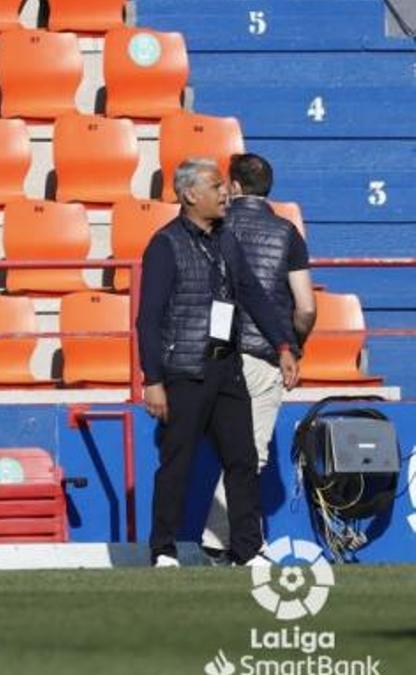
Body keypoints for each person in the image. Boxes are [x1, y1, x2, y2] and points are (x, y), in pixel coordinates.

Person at [136, 157, 300, 569]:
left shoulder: (227, 239)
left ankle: (247, 548)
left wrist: (283, 344)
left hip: (227, 366)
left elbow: (253, 295)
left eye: (224, 185)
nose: (225, 192)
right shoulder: (165, 243)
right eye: (215, 186)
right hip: (186, 370)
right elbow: (149, 316)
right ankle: (163, 549)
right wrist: (152, 378)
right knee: (178, 461)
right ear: (191, 195)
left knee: (243, 459)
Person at [201, 154, 317, 562]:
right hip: (263, 355)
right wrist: (291, 345)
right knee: (250, 454)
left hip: (214, 354)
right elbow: (305, 307)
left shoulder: (213, 228)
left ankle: (223, 542)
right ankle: (219, 543)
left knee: (233, 452)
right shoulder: (286, 233)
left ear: (232, 186)